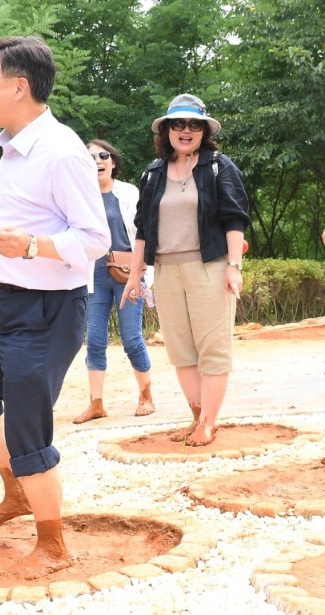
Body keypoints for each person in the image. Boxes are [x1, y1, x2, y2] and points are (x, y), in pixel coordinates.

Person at [0, 36, 110, 579]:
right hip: (8, 308)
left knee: (28, 430)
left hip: (47, 311)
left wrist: (35, 246)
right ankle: (17, 493)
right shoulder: (16, 146)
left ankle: (54, 543)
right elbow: (26, 191)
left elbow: (96, 238)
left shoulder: (62, 150)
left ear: (19, 86)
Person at [120, 94, 250, 448]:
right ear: (167, 130)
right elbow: (143, 228)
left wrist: (234, 266)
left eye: (194, 124)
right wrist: (135, 275)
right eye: (178, 123)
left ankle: (209, 422)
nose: (186, 130)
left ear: (204, 130)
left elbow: (235, 219)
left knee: (212, 348)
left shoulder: (219, 167)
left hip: (209, 266)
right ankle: (196, 419)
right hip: (166, 271)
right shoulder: (153, 173)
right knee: (180, 350)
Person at [72, 139, 156, 424]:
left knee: (131, 338)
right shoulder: (79, 197)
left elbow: (144, 231)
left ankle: (146, 395)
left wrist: (144, 274)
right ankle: (96, 403)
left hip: (127, 270)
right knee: (94, 338)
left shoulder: (128, 192)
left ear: (113, 162)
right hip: (93, 272)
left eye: (103, 155)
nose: (97, 160)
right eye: (90, 157)